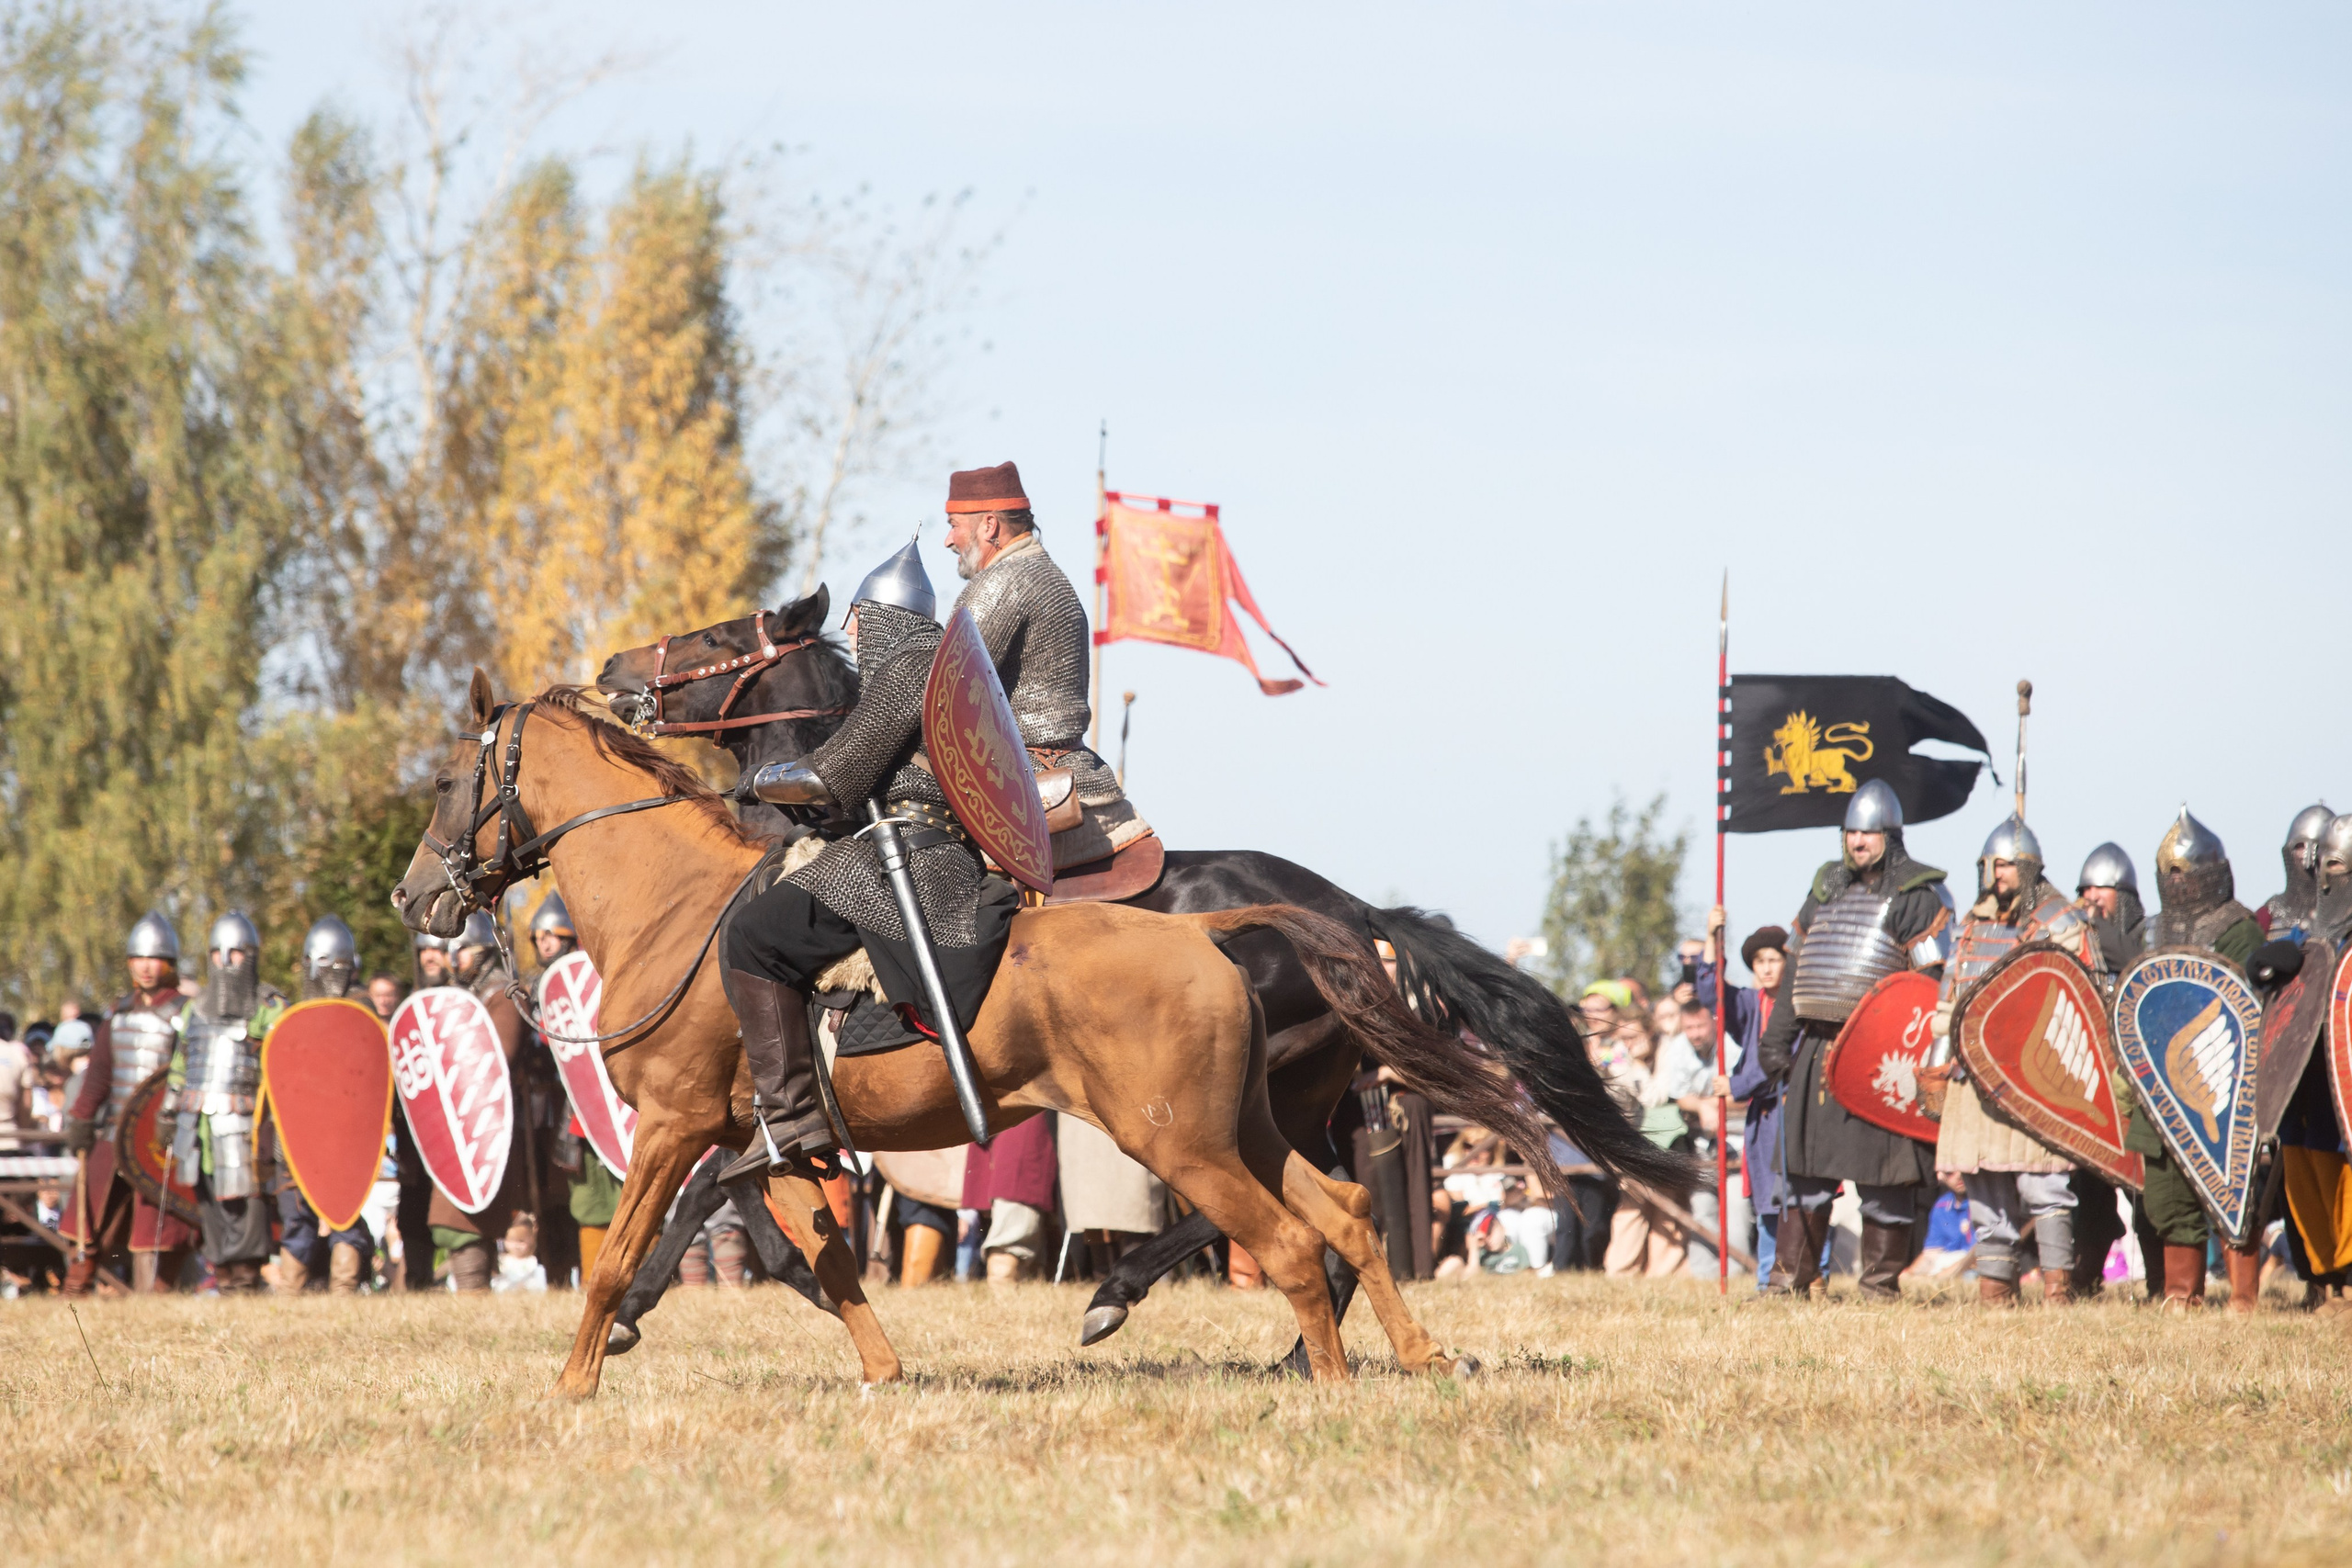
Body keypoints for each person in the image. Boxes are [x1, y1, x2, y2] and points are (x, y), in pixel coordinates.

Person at [722, 536, 1018, 1183]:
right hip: (915, 848)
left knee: (749, 934)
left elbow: (835, 777)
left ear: (879, 618)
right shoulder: (941, 667)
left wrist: (757, 779)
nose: (851, 634)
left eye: (855, 619)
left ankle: (791, 1114)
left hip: (905, 860)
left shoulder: (909, 666)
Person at [1758, 779, 1953, 1301]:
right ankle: (1789, 1280)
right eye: (1849, 833)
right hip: (1818, 1049)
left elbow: (1935, 987)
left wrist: (1926, 1062)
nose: (1856, 842)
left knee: (1886, 1181)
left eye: (1867, 833)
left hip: (1882, 1055)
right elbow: (1796, 969)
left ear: (1890, 835)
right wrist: (1777, 1042)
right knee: (1802, 1176)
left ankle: (1879, 1286)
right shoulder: (1826, 889)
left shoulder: (1918, 896)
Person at [941, 460, 1151, 870]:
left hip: (1023, 783)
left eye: (954, 525)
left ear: (988, 526)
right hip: (1048, 768)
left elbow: (941, 690)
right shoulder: (1042, 573)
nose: (948, 540)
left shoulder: (1005, 581)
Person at [1929, 817, 2100, 1305]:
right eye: (1992, 864)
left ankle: (2057, 1289)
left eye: (2006, 864)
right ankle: (1996, 1292)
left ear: (2027, 868)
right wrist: (1939, 1061)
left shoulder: (2061, 921)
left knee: (2043, 1182)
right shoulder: (1972, 926)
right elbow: (1950, 999)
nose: (1997, 873)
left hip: (2035, 1076)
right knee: (1984, 1185)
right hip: (1972, 1077)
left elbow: (2085, 1000)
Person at [2120, 809, 2265, 1310]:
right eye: (2170, 874)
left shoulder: (2239, 931)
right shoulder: (2153, 931)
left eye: (2184, 873)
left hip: (2218, 1087)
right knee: (2165, 1196)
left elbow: (2248, 1011)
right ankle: (2183, 1294)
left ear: (2212, 875)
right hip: (2160, 1084)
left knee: (2231, 1188)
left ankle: (2244, 1298)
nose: (2177, 882)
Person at [58, 913, 200, 1293]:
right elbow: (99, 1076)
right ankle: (76, 1289)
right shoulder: (118, 1015)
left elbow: (188, 1074)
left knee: (161, 1225)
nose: (146, 966)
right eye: (139, 958)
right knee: (90, 1217)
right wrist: (82, 1119)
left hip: (160, 1137)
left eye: (155, 959)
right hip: (113, 1131)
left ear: (169, 963)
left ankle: (159, 1295)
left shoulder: (186, 1013)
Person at [167, 912, 284, 1293]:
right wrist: (170, 1109)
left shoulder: (270, 1006)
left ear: (250, 955)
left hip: (248, 1123)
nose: (225, 960)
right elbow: (180, 1063)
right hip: (198, 1122)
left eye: (235, 952)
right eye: (217, 952)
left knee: (247, 1201)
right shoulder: (194, 1008)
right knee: (210, 1197)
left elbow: (286, 1065)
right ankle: (225, 1275)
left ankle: (247, 1278)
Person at [2267, 812, 2352, 1311]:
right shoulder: (2310, 930)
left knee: (2342, 1170)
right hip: (2308, 1071)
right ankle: (2324, 1276)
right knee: (2303, 1165)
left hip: (2343, 1071)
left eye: (2338, 865)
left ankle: (2348, 1274)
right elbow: (2269, 965)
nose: (2326, 875)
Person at [265, 916, 375, 1294]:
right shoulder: (293, 1019)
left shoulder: (364, 1016)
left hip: (345, 1136)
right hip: (300, 1133)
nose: (336, 976)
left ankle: (343, 1290)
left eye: (343, 968)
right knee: (296, 1216)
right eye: (329, 967)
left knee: (345, 1208)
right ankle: (291, 1292)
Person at [432, 912, 535, 1292]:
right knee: (459, 1207)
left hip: (490, 1121)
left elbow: (496, 1058)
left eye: (461, 950)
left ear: (485, 951)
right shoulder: (466, 997)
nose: (451, 959)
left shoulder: (501, 997)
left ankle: (475, 1291)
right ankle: (473, 1289)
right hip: (463, 1119)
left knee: (467, 1209)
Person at [2067, 843, 2143, 1293]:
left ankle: (2161, 1286)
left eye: (2103, 890)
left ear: (2125, 895)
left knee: (2146, 1187)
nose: (2093, 897)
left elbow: (2134, 963)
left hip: (2137, 1077)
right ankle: (2085, 1276)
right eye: (2086, 890)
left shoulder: (2148, 933)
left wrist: (2091, 923)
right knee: (2089, 1184)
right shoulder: (2078, 938)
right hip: (2092, 1076)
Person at [1701, 908, 1787, 1292]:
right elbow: (1711, 993)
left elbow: (1779, 1060)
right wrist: (1712, 939)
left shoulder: (1800, 1004)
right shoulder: (1752, 1004)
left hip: (1792, 1112)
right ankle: (1768, 1281)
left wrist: (1736, 1085)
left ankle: (1812, 1275)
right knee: (1768, 1201)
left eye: (1773, 960)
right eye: (1759, 962)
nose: (1766, 968)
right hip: (1762, 1117)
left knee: (1802, 1199)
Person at [2258, 803, 2333, 941]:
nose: (2307, 856)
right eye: (2300, 846)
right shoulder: (2269, 913)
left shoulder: (2344, 914)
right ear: (2289, 851)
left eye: (2318, 847)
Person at [530, 891, 577, 970]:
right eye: (540, 939)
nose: (546, 947)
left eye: (551, 936)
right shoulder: (540, 982)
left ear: (566, 940)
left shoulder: (586, 974)